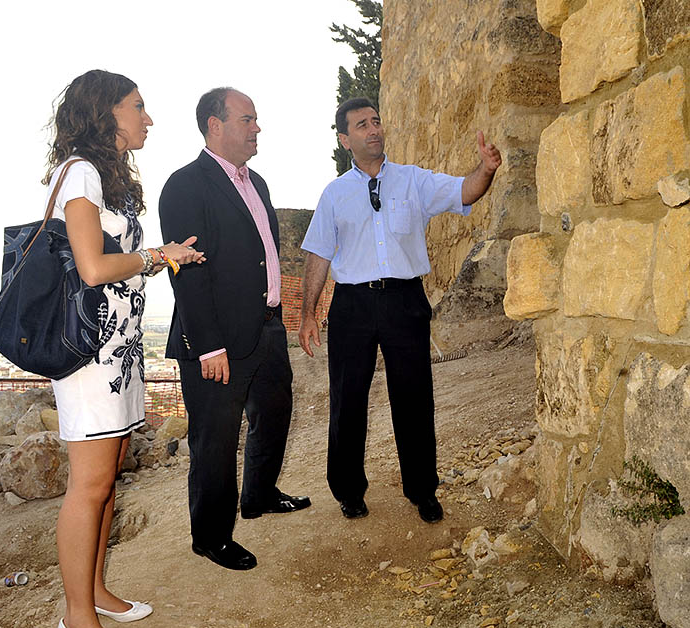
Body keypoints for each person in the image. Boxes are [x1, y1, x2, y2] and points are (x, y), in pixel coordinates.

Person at [46, 70, 205, 628]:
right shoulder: (82, 173)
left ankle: (94, 591)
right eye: (137, 106)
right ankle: (76, 619)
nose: (148, 117)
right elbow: (91, 268)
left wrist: (160, 259)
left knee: (107, 479)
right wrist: (158, 255)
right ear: (104, 113)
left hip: (119, 351)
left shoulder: (108, 178)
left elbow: (120, 262)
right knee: (88, 487)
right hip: (90, 357)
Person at [298, 97, 502, 524]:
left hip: (404, 300)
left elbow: (464, 191)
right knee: (347, 400)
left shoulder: (414, 181)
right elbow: (317, 256)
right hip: (352, 305)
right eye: (361, 125)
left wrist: (485, 169)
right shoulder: (334, 194)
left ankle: (422, 489)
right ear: (344, 138)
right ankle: (349, 491)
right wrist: (307, 313)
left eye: (376, 121)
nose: (373, 129)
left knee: (413, 397)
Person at [159, 87, 309, 572]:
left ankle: (260, 495)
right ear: (214, 125)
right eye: (247, 119)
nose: (256, 127)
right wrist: (207, 347)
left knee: (275, 410)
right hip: (217, 340)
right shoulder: (185, 185)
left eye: (256, 119)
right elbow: (189, 273)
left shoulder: (257, 183)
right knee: (215, 439)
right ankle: (211, 536)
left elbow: (262, 253)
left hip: (266, 328)